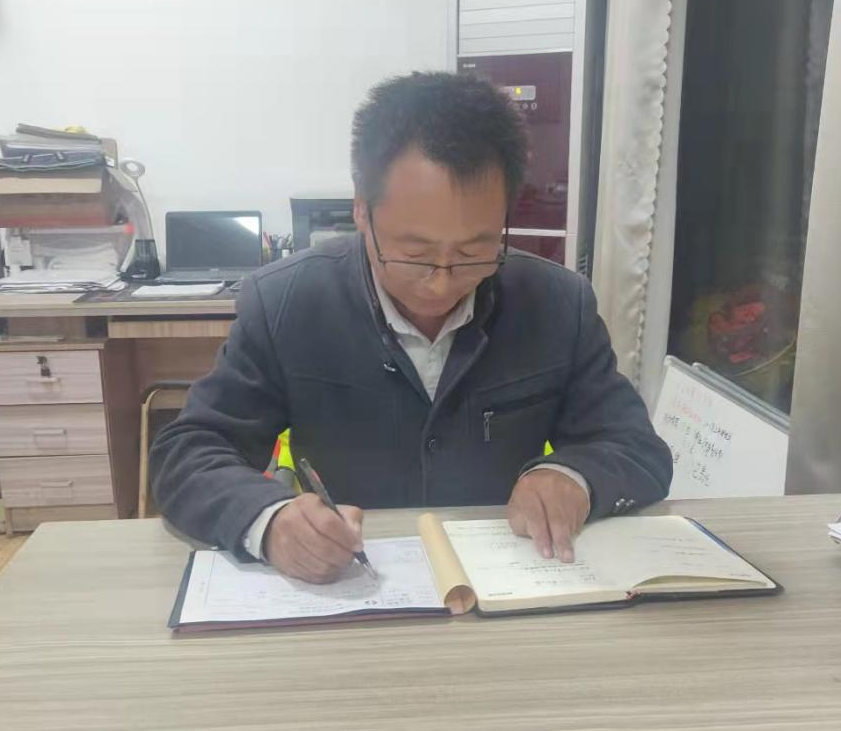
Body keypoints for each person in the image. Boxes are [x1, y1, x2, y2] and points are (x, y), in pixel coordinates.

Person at [151, 71, 672, 583]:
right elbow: (189, 452)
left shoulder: (556, 304)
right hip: (351, 588)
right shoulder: (287, 303)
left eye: (474, 251)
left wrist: (572, 477)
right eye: (415, 253)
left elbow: (636, 448)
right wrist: (270, 520)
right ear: (361, 211)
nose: (441, 283)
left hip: (505, 586)